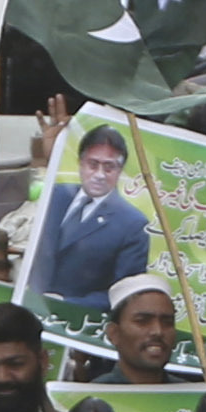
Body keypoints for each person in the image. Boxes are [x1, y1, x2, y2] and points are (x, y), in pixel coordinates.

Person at [19, 119, 148, 309]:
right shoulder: (55, 195)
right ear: (80, 163)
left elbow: (124, 293)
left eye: (109, 167)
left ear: (120, 170)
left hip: (78, 320)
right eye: (93, 164)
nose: (99, 175)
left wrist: (66, 304)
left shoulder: (133, 223)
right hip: (27, 308)